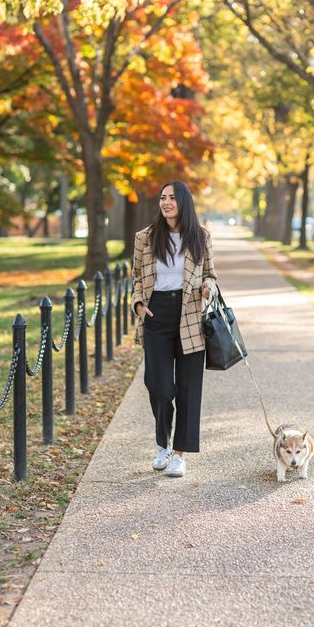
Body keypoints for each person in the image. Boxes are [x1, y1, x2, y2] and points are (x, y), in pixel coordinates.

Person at [131, 181, 217, 478]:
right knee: (159, 386)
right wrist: (139, 304)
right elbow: (137, 279)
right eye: (162, 198)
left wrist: (208, 286)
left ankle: (179, 454)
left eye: (171, 198)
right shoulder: (145, 237)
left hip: (191, 313)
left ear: (183, 201)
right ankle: (162, 443)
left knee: (189, 389)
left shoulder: (201, 237)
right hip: (157, 313)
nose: (166, 202)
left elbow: (211, 275)